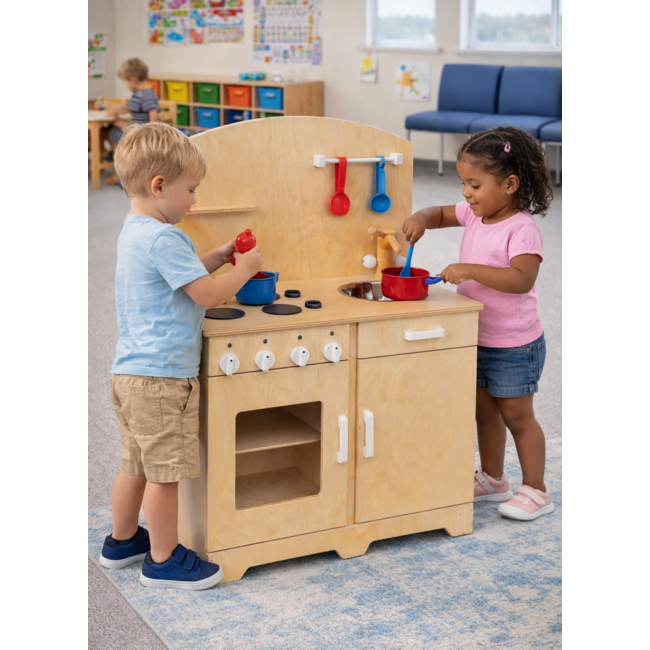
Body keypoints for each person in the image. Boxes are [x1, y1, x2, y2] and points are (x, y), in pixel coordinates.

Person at [99, 123, 264, 589]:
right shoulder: (165, 238)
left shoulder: (136, 231)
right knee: (165, 474)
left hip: (130, 373)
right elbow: (208, 295)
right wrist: (246, 269)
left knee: (135, 464)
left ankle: (121, 541)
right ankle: (163, 559)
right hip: (162, 381)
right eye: (190, 190)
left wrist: (218, 255)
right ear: (159, 186)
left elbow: (184, 276)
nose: (194, 199)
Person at [402, 126, 555, 521]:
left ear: (510, 184)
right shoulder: (474, 213)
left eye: (474, 184)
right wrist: (420, 218)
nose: (466, 193)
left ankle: (536, 490)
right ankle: (493, 479)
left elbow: (522, 279)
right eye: (463, 183)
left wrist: (470, 269)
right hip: (476, 334)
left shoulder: (521, 229)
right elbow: (439, 214)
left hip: (514, 344)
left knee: (517, 416)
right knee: (483, 412)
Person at [105, 58, 160, 184]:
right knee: (116, 129)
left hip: (140, 131)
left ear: (133, 80)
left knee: (113, 134)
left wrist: (151, 131)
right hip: (140, 128)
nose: (126, 85)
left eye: (125, 82)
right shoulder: (150, 92)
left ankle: (120, 169)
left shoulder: (140, 95)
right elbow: (130, 108)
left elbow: (151, 112)